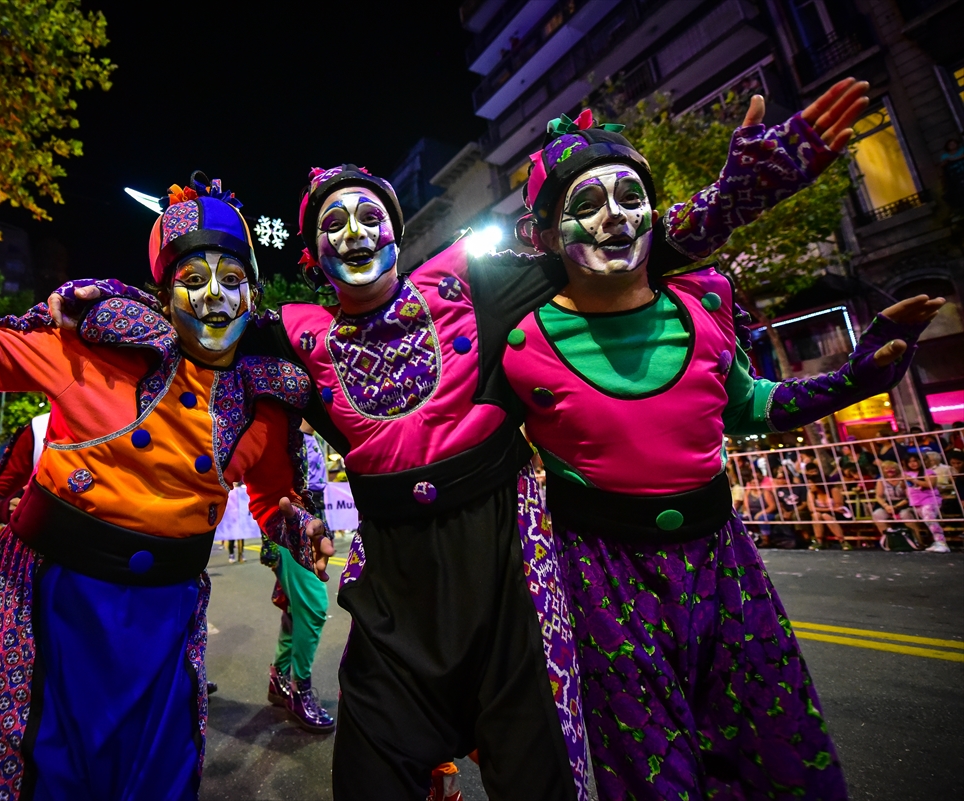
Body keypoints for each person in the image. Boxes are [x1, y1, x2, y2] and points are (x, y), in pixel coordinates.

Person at [52, 80, 872, 801]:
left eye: (368, 213)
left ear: (395, 231)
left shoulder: (469, 277)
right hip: (397, 591)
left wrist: (743, 190)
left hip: (510, 573)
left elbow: (612, 251)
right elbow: (201, 316)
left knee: (540, 774)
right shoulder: (294, 332)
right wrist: (100, 301)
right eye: (331, 223)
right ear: (312, 255)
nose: (351, 230)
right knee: (370, 773)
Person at [0, 123, 330, 801]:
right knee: (52, 782)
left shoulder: (262, 398)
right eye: (194, 278)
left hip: (166, 622)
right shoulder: (92, 347)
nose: (216, 294)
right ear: (165, 295)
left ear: (253, 297)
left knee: (160, 782)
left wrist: (298, 526)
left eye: (233, 279)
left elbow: (274, 495)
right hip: (57, 612)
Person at [499, 92, 940, 799]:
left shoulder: (705, 302)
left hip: (724, 565)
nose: (614, 216)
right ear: (545, 234)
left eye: (629, 195)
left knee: (779, 759)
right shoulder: (516, 338)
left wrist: (858, 374)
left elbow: (753, 405)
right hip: (601, 580)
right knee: (652, 780)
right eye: (587, 203)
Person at [263, 419, 335, 733]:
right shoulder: (285, 435)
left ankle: (279, 678)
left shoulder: (306, 436)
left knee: (295, 612)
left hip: (311, 531)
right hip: (293, 533)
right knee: (315, 608)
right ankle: (298, 690)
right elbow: (271, 492)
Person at [905, 454, 949, 552]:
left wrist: (913, 480)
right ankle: (936, 542)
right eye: (910, 461)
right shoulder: (907, 473)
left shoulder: (928, 472)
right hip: (916, 502)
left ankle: (942, 543)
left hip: (929, 500)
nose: (913, 464)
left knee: (930, 519)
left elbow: (930, 485)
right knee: (928, 522)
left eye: (915, 461)